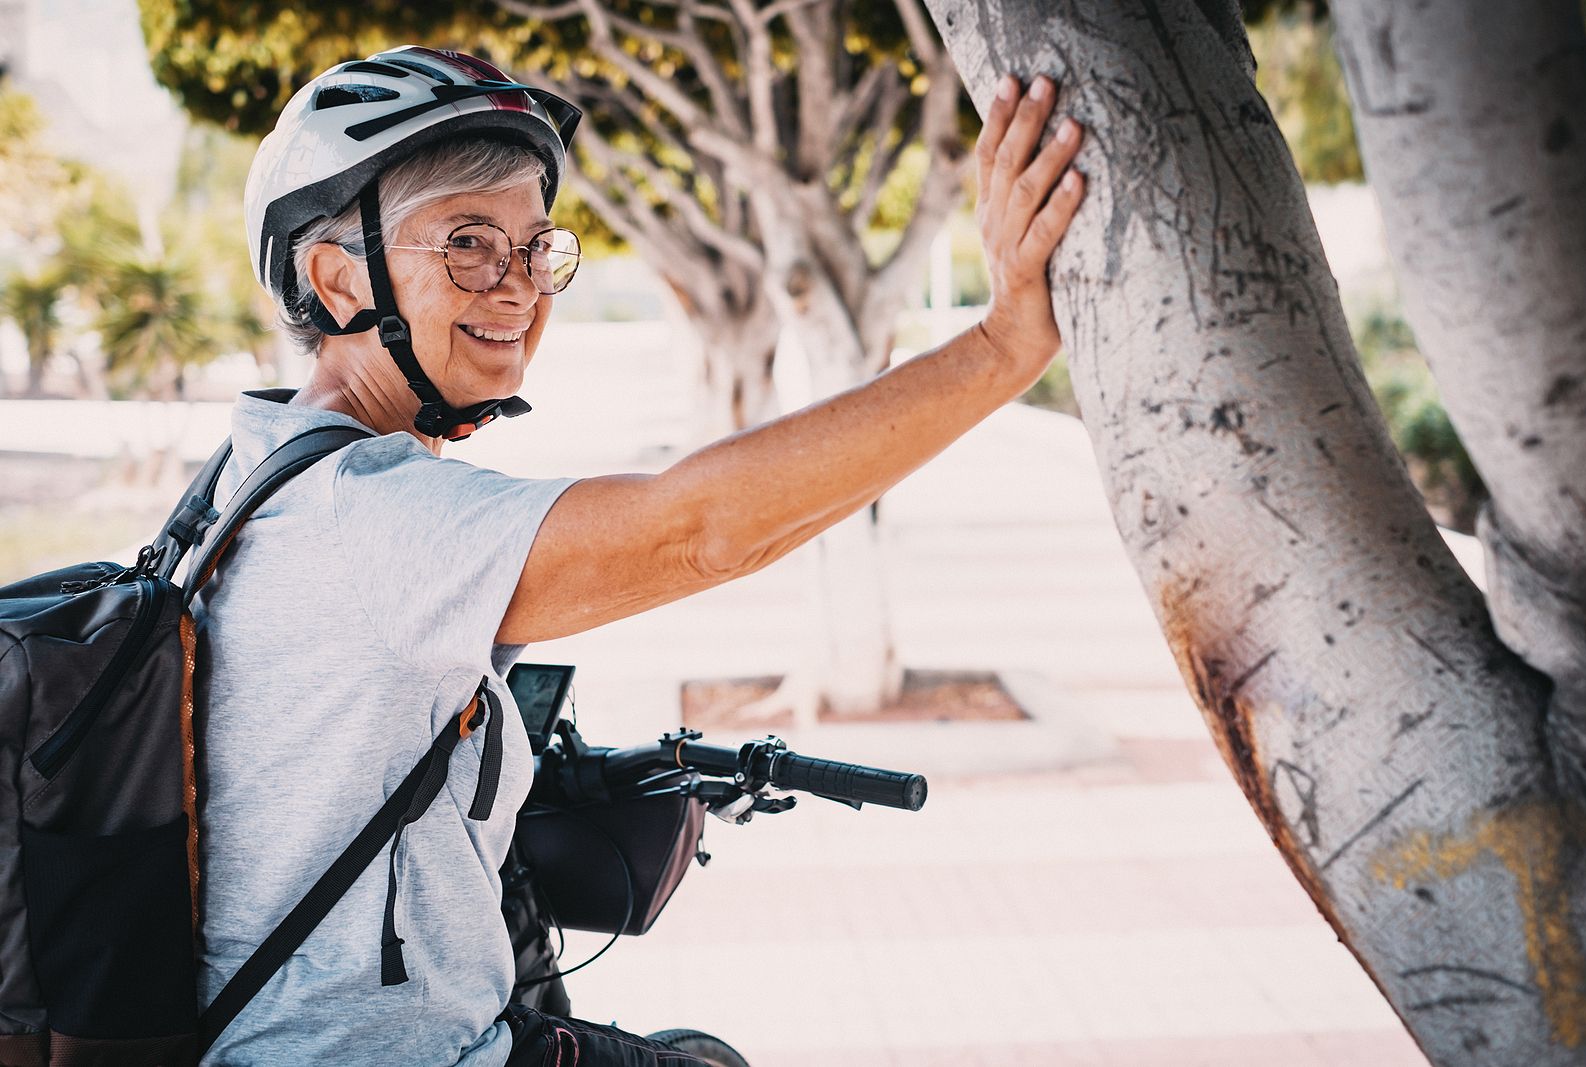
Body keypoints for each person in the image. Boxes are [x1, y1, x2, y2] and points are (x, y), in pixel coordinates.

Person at [195, 44, 1085, 1066]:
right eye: (469, 244)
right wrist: (1004, 345)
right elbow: (700, 531)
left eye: (536, 247)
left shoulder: (248, 477)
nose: (518, 288)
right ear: (336, 276)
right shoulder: (368, 515)